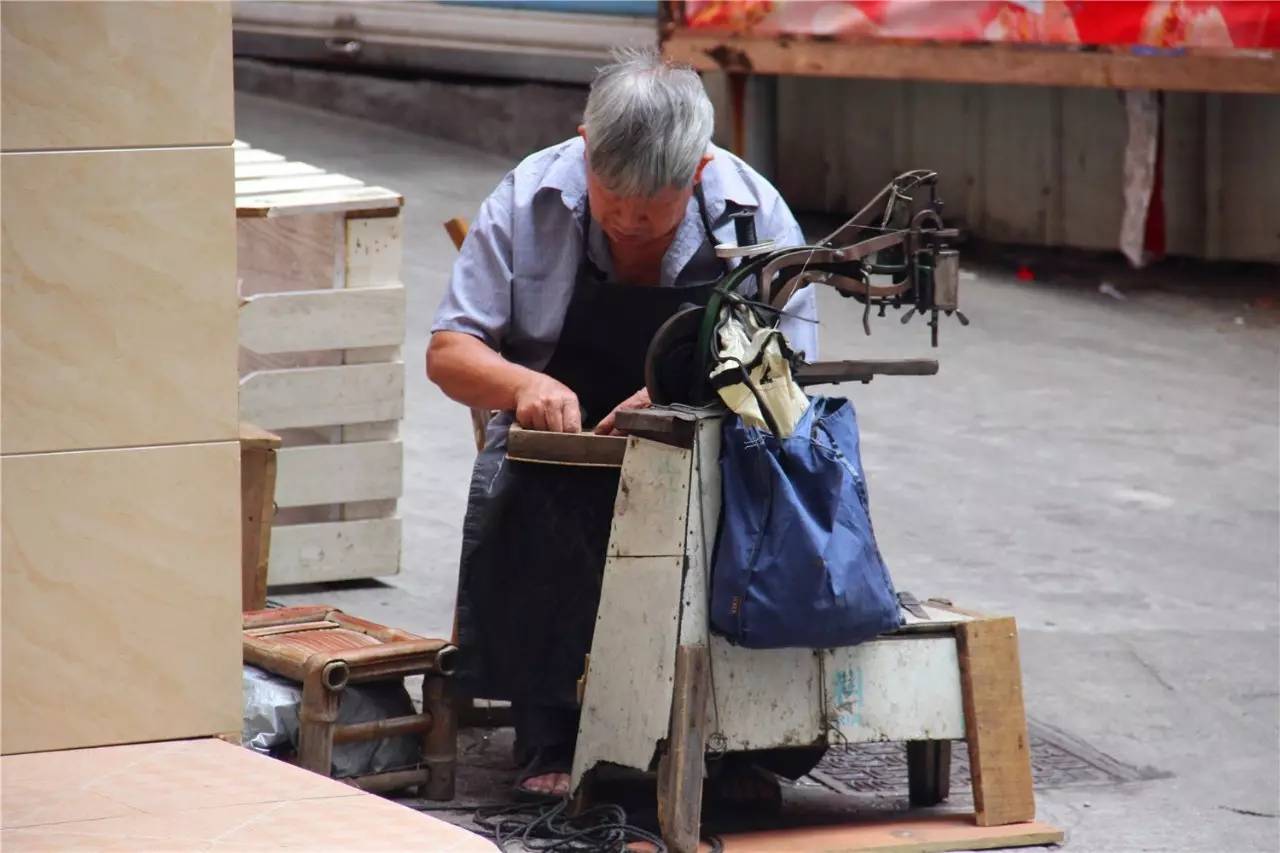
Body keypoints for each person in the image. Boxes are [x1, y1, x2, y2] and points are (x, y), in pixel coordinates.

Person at [427, 48, 817, 799]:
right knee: (535, 491)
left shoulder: (752, 212)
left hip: (704, 435)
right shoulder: (527, 197)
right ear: (584, 144)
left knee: (763, 502)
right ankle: (553, 730)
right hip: (565, 442)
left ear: (698, 172)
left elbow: (791, 373)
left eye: (654, 210)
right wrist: (524, 382)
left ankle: (731, 739)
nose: (632, 224)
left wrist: (685, 390)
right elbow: (449, 351)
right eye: (614, 203)